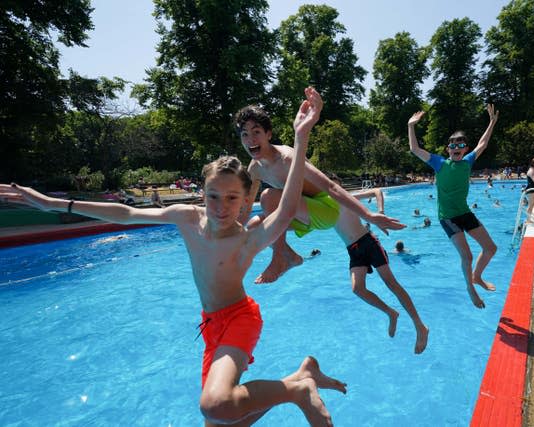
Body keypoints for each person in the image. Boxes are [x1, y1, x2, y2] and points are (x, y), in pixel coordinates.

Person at [0, 87, 347, 426]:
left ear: (245, 201)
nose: (221, 207)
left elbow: (285, 211)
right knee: (223, 417)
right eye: (213, 196)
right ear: (202, 194)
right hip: (212, 324)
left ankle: (297, 391)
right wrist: (51, 203)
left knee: (216, 405)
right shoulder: (187, 218)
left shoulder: (248, 239)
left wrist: (301, 139)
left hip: (240, 318)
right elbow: (124, 214)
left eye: (231, 199)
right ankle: (301, 377)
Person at [236, 104, 404, 284]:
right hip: (300, 213)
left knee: (268, 197)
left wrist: (368, 215)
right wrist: (224, 236)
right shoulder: (254, 169)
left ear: (268, 134)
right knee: (254, 224)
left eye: (256, 132)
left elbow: (330, 187)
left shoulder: (287, 158)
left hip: (326, 209)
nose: (251, 139)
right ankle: (289, 256)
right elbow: (246, 208)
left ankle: (279, 258)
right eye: (245, 134)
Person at [407, 105, 499, 309]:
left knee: (491, 248)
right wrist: (411, 126)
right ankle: (470, 288)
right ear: (448, 149)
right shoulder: (439, 163)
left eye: (461, 146)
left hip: (464, 213)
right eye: (452, 147)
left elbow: (482, 144)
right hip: (448, 217)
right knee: (467, 255)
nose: (456, 150)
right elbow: (414, 149)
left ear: (465, 149)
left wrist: (491, 122)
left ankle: (477, 276)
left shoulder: (468, 161)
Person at [329, 177, 428, 354]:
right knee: (357, 289)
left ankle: (420, 326)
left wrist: (380, 214)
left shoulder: (347, 197)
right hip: (353, 249)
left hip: (368, 242)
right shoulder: (321, 205)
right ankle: (391, 313)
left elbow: (377, 191)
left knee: (391, 283)